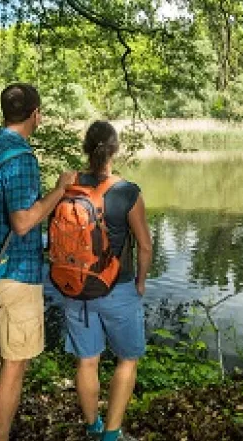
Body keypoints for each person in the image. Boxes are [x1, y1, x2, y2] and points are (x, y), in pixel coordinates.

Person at [0, 83, 76, 441]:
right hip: (16, 273)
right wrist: (60, 189)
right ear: (35, 114)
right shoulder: (20, 157)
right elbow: (24, 220)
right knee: (13, 365)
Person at [62, 121, 153, 441]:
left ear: (86, 148)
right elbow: (144, 245)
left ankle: (93, 427)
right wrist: (140, 283)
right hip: (118, 287)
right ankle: (112, 435)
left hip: (75, 287)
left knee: (87, 361)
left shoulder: (68, 185)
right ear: (115, 150)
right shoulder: (127, 192)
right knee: (128, 359)